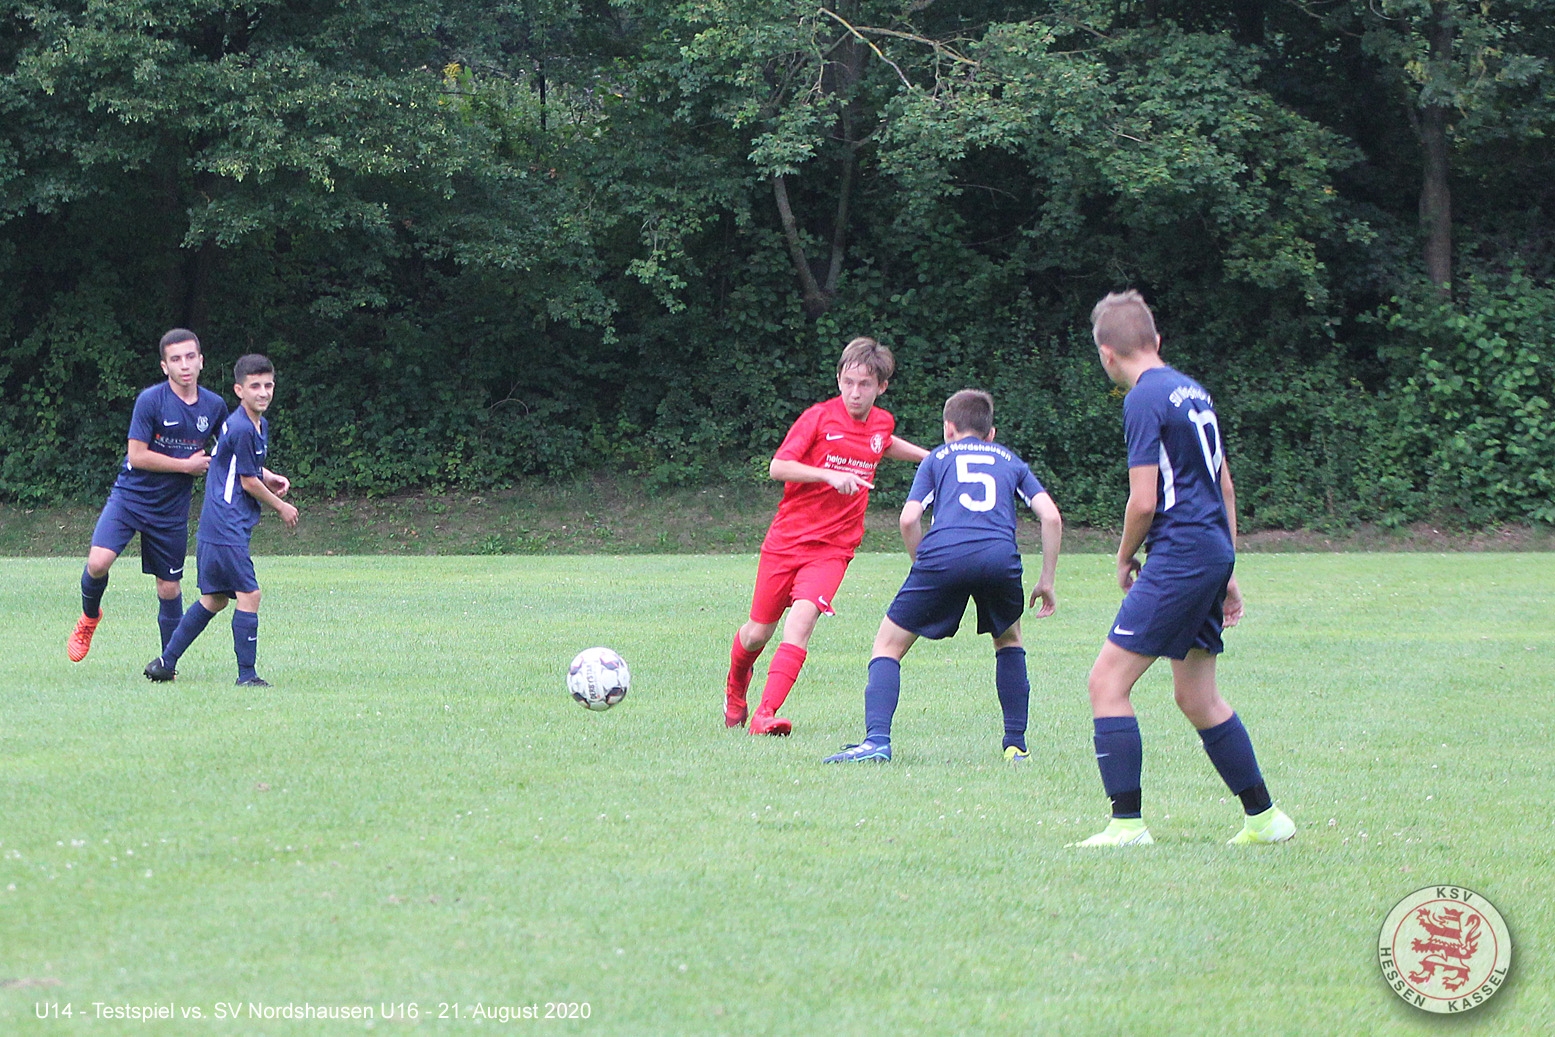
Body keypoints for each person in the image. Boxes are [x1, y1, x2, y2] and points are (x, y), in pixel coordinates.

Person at [1076, 291, 1294, 847]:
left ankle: (1126, 825)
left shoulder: (1143, 399)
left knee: (1107, 682)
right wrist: (1228, 566)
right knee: (1197, 697)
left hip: (1179, 554)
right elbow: (1223, 486)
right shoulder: (1193, 391)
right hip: (1208, 550)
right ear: (1156, 342)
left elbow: (1144, 501)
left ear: (1107, 353)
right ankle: (1265, 820)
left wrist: (1125, 554)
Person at [823, 389, 1062, 763]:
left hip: (943, 555)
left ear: (948, 429)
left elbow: (908, 518)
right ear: (991, 433)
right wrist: (1046, 579)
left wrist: (924, 564)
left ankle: (877, 742)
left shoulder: (937, 458)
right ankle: (1015, 744)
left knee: (888, 645)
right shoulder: (1011, 461)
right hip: (999, 558)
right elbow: (1051, 516)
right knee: (1009, 640)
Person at [724, 337, 928, 735]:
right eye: (848, 382)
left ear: (881, 387)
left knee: (801, 621)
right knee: (757, 632)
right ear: (838, 379)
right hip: (787, 541)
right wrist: (828, 475)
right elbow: (778, 467)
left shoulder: (882, 423)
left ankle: (765, 714)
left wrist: (931, 456)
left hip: (833, 548)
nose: (855, 392)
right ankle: (736, 689)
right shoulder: (818, 418)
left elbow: (882, 444)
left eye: (865, 385)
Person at [68, 329, 228, 662]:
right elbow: (137, 456)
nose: (184, 365)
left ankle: (167, 663)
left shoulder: (214, 405)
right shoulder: (151, 400)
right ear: (164, 366)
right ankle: (89, 617)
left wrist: (265, 476)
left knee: (168, 588)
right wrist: (185, 466)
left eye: (189, 357)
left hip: (171, 510)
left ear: (201, 361)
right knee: (98, 563)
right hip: (130, 498)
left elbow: (232, 449)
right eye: (175, 359)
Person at [145, 354, 298, 686]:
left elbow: (235, 464)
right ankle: (247, 676)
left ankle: (165, 662)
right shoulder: (243, 426)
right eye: (254, 386)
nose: (263, 392)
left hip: (220, 526)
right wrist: (280, 507)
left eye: (268, 385)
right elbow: (247, 482)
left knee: (213, 599)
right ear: (239, 390)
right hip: (225, 526)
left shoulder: (253, 423)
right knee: (250, 595)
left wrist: (268, 475)